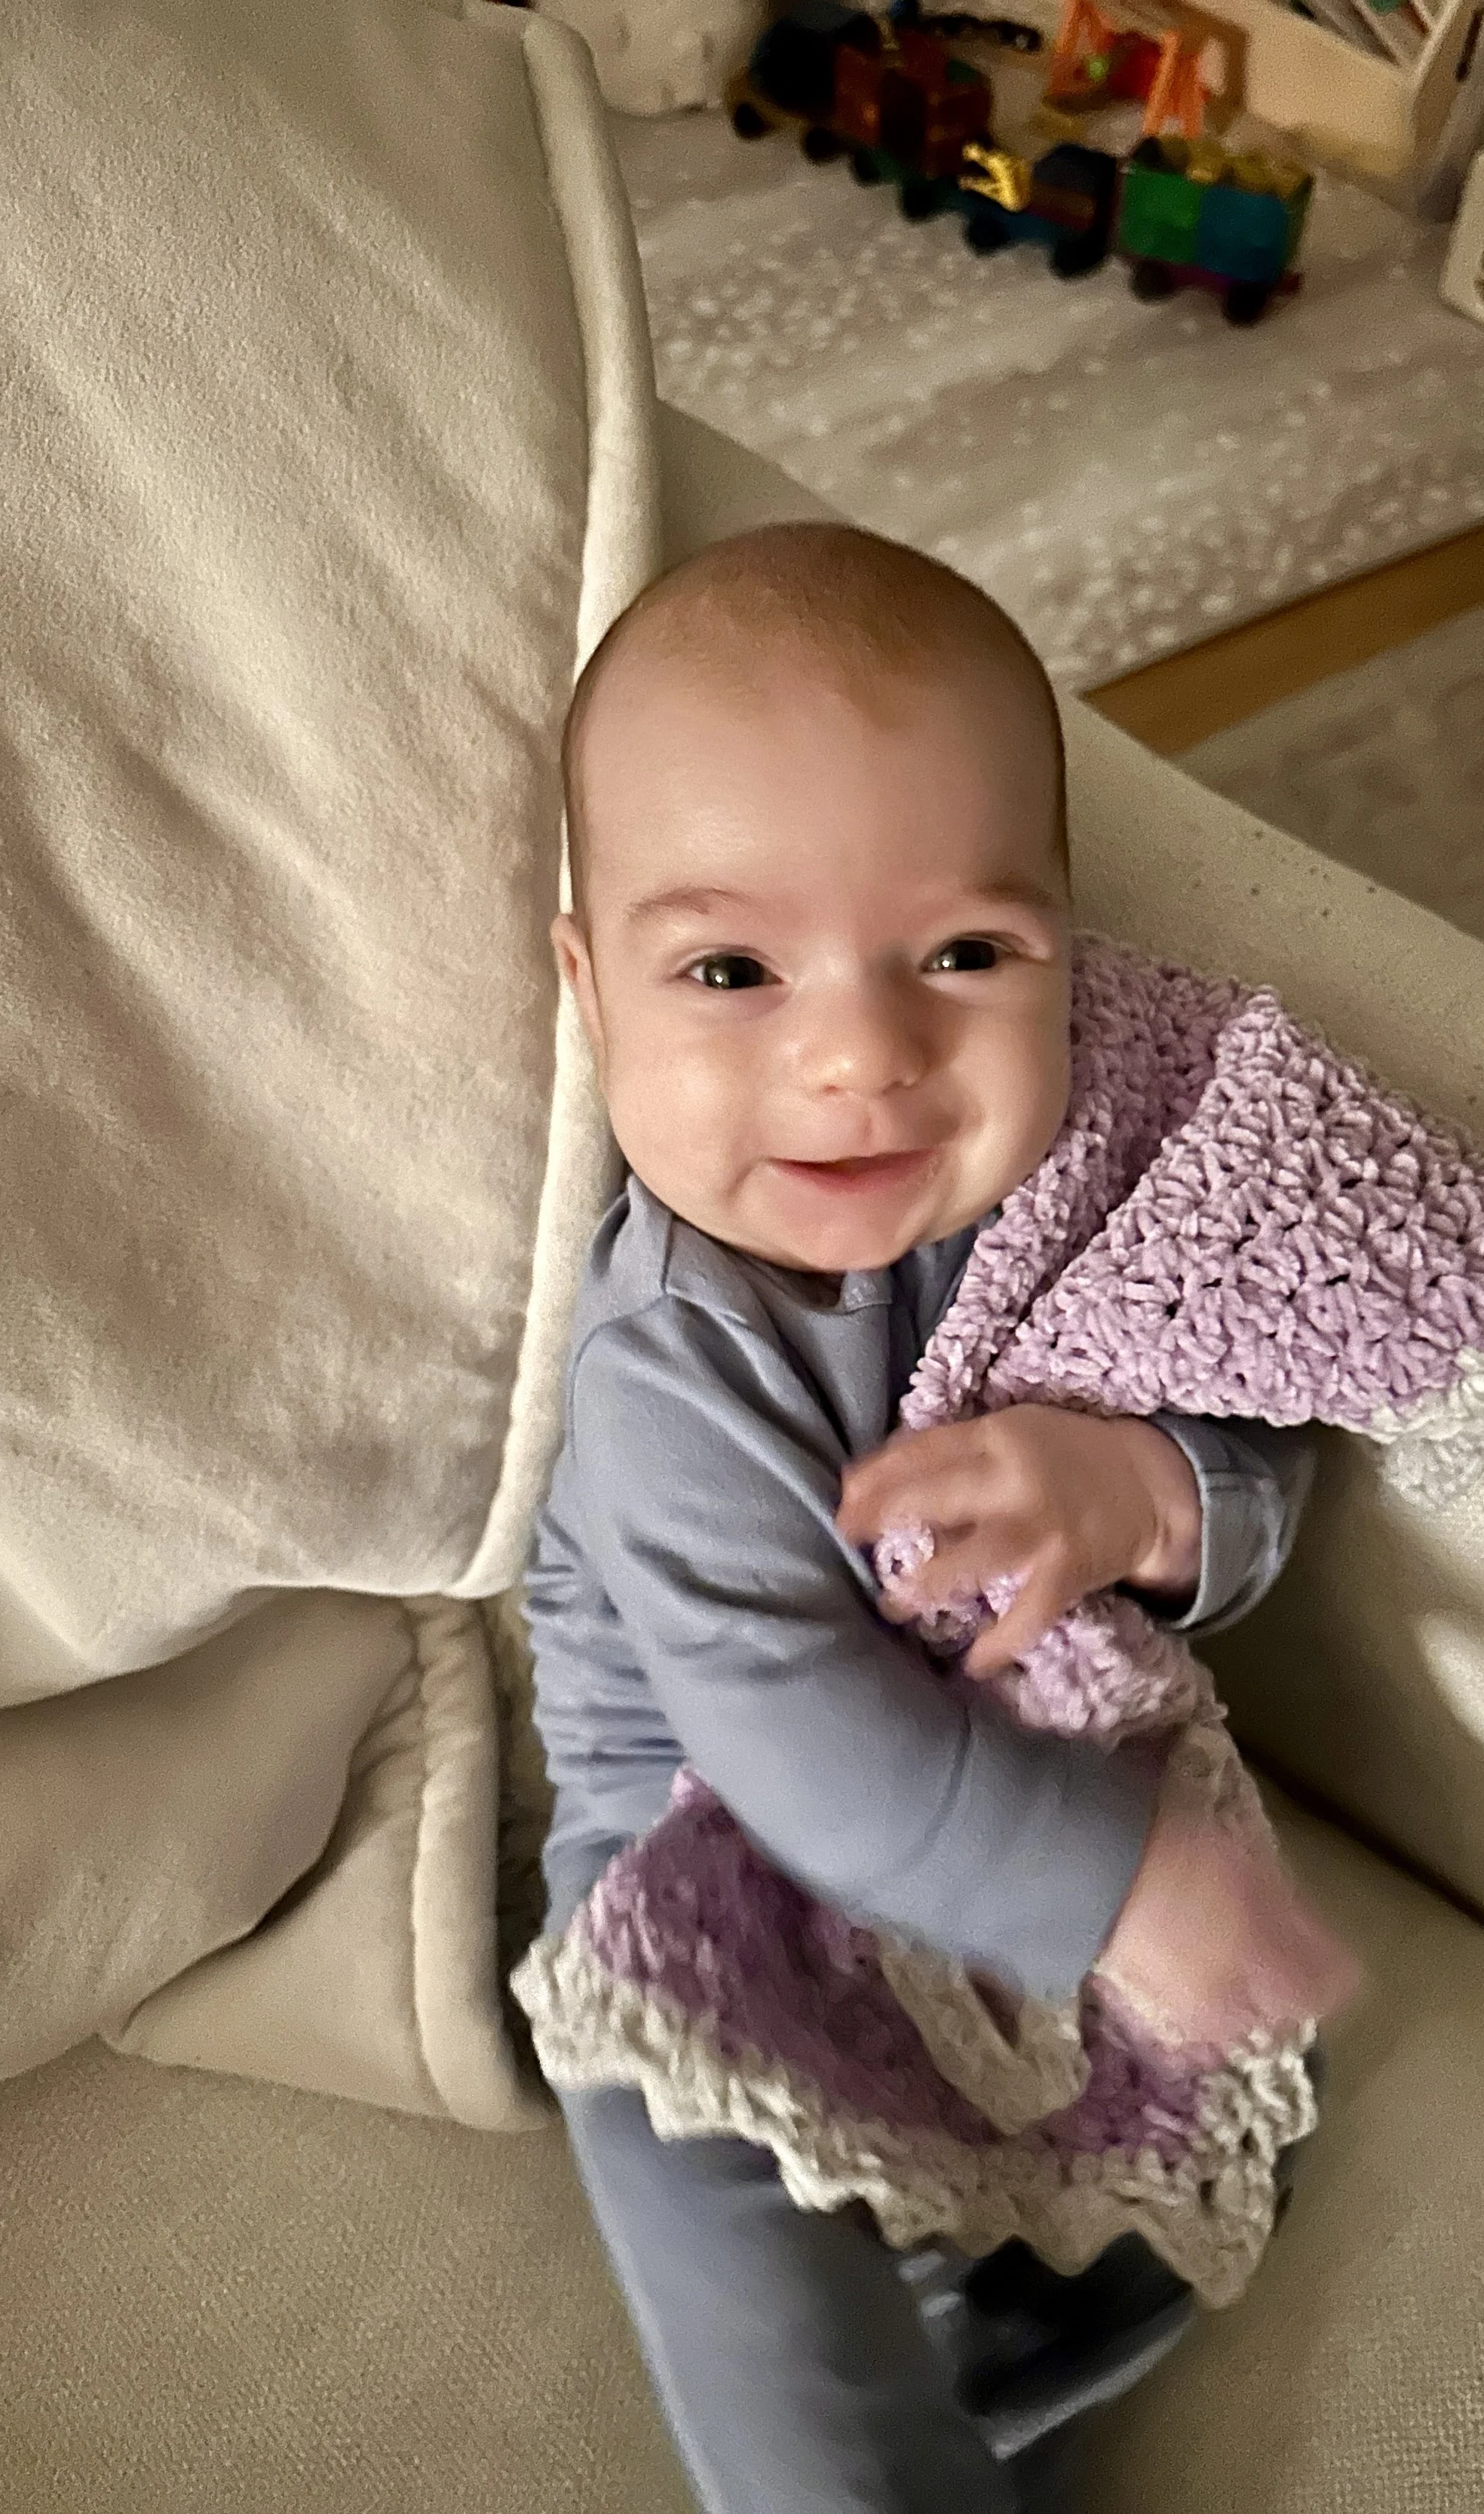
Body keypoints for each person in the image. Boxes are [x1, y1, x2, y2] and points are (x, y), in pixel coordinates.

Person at [523, 521, 1358, 2514]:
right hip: (704, 1847)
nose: (859, 1056)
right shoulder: (675, 1360)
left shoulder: (1083, 1198)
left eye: (963, 955)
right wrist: (1116, 1884)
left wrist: (1144, 1484)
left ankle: (1025, 2326)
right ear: (589, 986)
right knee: (672, 2140)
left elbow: (1270, 1428)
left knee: (1215, 2097)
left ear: (1067, 936)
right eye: (729, 968)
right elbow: (784, 1720)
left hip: (1012, 1766)